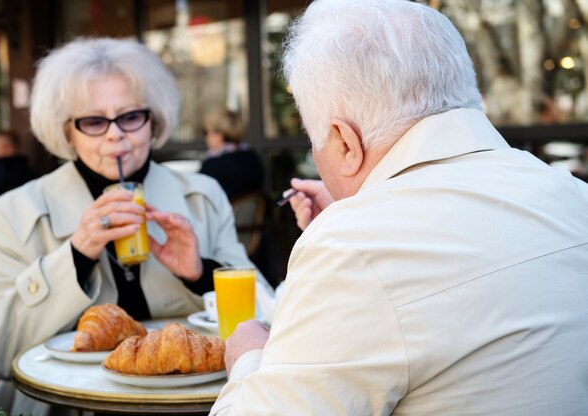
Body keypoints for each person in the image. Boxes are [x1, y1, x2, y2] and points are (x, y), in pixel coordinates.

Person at [210, 1, 588, 415]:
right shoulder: (572, 195)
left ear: (345, 143)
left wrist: (248, 358)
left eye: (311, 139)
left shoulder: (352, 247)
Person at [0, 37, 272, 415]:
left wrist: (200, 273)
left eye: (130, 117)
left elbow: (269, 323)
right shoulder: (13, 213)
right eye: (94, 121)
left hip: (197, 403)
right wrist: (76, 256)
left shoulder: (203, 196)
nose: (116, 135)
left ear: (153, 121)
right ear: (66, 132)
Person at [199, 109, 264, 201]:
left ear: (218, 135)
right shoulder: (251, 157)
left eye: (206, 132)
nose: (206, 137)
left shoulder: (211, 165)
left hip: (222, 214)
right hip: (248, 214)